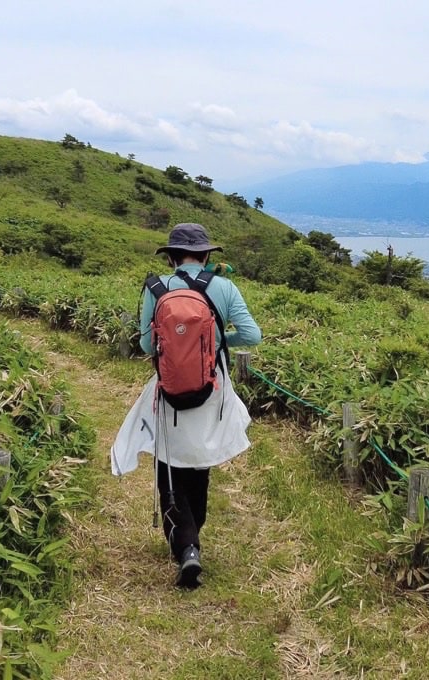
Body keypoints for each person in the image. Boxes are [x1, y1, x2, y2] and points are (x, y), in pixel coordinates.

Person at [109, 223, 261, 589]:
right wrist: (217, 337)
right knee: (200, 460)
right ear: (207, 255)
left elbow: (147, 347)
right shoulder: (223, 287)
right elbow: (252, 335)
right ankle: (193, 537)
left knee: (170, 466)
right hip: (212, 388)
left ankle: (186, 545)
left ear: (172, 256)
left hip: (170, 391)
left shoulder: (156, 289)